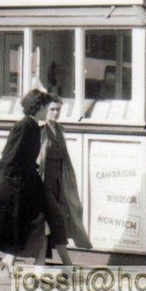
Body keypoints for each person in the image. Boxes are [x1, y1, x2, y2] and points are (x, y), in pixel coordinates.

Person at [0, 88, 51, 287]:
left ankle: (20, 265)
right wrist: (15, 184)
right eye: (46, 108)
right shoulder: (23, 127)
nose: (47, 111)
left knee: (31, 224)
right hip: (12, 187)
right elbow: (8, 159)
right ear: (38, 108)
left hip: (24, 185)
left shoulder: (33, 127)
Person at [35, 93, 92, 266]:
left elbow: (63, 160)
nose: (55, 113)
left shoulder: (59, 130)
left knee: (50, 227)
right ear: (45, 110)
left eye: (58, 110)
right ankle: (66, 266)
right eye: (52, 109)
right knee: (50, 227)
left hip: (57, 187)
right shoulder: (41, 131)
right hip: (43, 186)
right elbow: (38, 160)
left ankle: (18, 261)